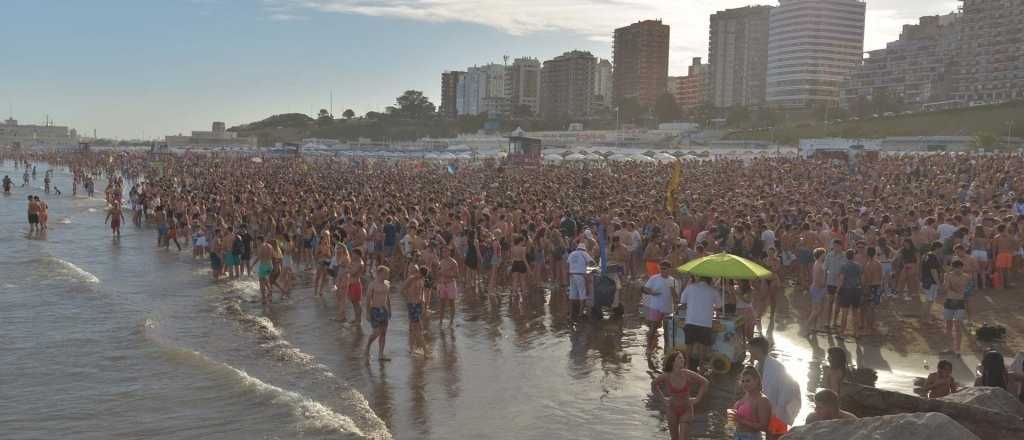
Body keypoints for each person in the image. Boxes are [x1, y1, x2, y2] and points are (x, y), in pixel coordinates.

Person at [748, 337, 801, 439]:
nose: (749, 351)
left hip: (779, 412)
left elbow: (787, 390)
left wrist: (778, 412)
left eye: (751, 349)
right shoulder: (758, 365)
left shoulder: (777, 368)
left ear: (758, 349)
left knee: (776, 437)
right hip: (767, 409)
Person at [651, 351, 710, 440]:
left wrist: (697, 399)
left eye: (683, 358)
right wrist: (663, 399)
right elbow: (653, 384)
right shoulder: (666, 376)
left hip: (686, 409)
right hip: (672, 409)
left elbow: (705, 382)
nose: (682, 360)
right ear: (673, 362)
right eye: (679, 358)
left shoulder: (687, 373)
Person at [678, 276, 722, 370]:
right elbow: (719, 305)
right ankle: (701, 366)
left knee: (689, 344)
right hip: (705, 322)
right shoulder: (713, 290)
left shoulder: (690, 287)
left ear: (700, 278)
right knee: (703, 345)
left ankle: (687, 364)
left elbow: (682, 300)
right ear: (710, 280)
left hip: (690, 320)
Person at [730, 366, 772, 440]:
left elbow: (763, 426)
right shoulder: (744, 396)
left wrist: (741, 420)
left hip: (751, 437)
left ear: (756, 380)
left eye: (748, 381)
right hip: (737, 435)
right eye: (743, 381)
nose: (744, 384)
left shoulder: (762, 400)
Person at [642, 261, 678, 340]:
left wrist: (672, 289)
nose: (662, 270)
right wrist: (652, 292)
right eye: (661, 268)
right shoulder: (654, 278)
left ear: (669, 269)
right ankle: (649, 346)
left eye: (664, 269)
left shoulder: (673, 280)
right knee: (653, 328)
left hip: (668, 309)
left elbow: (676, 297)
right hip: (655, 308)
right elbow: (645, 289)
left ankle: (666, 346)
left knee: (667, 330)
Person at [364, 265, 392, 362]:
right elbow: (368, 299)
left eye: (388, 274)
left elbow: (388, 298)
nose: (387, 275)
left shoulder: (387, 284)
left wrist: (390, 310)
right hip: (375, 310)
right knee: (376, 332)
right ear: (380, 273)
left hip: (384, 310)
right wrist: (367, 313)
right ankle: (367, 346)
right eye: (386, 273)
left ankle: (381, 354)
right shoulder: (372, 284)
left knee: (383, 333)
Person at [941, 259, 969, 356]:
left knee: (958, 325)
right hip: (949, 301)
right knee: (948, 326)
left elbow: (960, 289)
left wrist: (950, 282)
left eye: (960, 268)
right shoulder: (947, 275)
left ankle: (958, 349)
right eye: (956, 268)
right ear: (953, 268)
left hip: (959, 303)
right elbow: (945, 288)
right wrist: (947, 278)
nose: (958, 270)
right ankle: (949, 347)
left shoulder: (965, 277)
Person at [834, 249, 863, 339]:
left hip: (847, 290)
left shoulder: (844, 266)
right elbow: (861, 279)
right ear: (853, 256)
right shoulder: (858, 266)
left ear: (846, 256)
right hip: (856, 290)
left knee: (845, 312)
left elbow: (841, 279)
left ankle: (842, 333)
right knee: (855, 312)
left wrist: (837, 290)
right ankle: (856, 333)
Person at [403, 265, 428, 355]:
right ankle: (424, 350)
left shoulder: (421, 280)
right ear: (418, 272)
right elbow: (403, 289)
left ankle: (414, 348)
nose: (420, 276)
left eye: (422, 276)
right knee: (415, 328)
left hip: (418, 305)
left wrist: (423, 306)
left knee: (417, 327)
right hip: (412, 305)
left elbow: (422, 293)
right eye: (420, 274)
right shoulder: (411, 279)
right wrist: (409, 299)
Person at [567, 242, 595, 320]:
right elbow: (592, 263)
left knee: (572, 295)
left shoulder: (572, 254)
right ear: (584, 249)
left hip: (572, 275)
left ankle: (571, 314)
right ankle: (580, 313)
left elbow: (568, 265)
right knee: (583, 295)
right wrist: (590, 270)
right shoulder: (584, 253)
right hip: (580, 275)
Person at [806, 248, 828, 334]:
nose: (825, 256)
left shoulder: (820, 263)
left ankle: (814, 327)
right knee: (817, 310)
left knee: (816, 309)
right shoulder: (818, 264)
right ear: (820, 255)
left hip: (820, 288)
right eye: (824, 254)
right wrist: (822, 285)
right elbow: (816, 278)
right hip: (817, 289)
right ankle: (807, 326)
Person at [251, 236, 275, 305]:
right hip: (270, 264)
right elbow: (273, 255)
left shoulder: (261, 246)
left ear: (260, 240)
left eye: (257, 240)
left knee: (261, 282)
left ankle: (263, 298)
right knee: (265, 280)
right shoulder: (270, 246)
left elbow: (259, 257)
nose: (256, 242)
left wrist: (252, 265)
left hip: (264, 265)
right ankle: (270, 291)